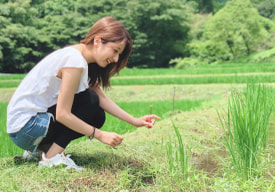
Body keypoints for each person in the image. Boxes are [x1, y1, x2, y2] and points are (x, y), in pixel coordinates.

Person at [6, 16, 160, 170]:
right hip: (27, 127)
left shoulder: (77, 57)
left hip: (21, 130)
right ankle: (52, 157)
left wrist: (135, 121)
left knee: (97, 113)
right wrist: (100, 135)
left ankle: (40, 149)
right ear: (98, 40)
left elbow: (100, 97)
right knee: (89, 101)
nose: (115, 59)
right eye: (115, 51)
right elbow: (62, 114)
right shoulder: (75, 61)